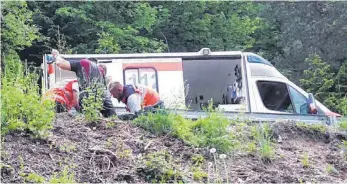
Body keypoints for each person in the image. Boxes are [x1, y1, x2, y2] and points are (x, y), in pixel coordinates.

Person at [48, 49, 115, 117]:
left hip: (86, 99)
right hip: (100, 99)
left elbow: (60, 64)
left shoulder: (83, 63)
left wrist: (56, 56)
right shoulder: (99, 71)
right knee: (110, 119)